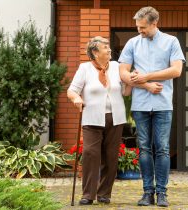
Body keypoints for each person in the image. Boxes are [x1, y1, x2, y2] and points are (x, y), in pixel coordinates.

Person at [118, 6, 185, 207]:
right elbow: (123, 73)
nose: (139, 31)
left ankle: (162, 193)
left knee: (163, 149)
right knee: (144, 148)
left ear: (154, 23)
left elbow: (176, 70)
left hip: (163, 105)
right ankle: (147, 192)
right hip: (140, 104)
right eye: (138, 27)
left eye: (143, 27)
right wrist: (146, 85)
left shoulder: (171, 42)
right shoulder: (132, 43)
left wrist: (147, 75)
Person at [67, 36, 131, 205]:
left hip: (115, 118)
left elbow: (125, 92)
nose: (109, 50)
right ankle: (88, 194)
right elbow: (72, 91)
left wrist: (132, 81)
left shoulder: (117, 67)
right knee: (90, 154)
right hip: (92, 118)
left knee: (110, 157)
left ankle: (104, 194)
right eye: (105, 47)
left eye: (109, 47)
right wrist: (76, 99)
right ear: (95, 52)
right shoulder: (85, 68)